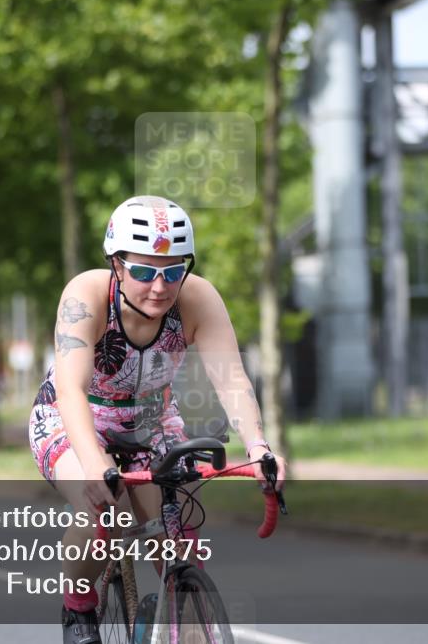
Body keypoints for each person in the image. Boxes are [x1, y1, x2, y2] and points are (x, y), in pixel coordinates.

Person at [28, 196, 287, 644]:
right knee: (105, 511)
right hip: (74, 415)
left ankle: (186, 621)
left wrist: (259, 446)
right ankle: (78, 609)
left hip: (152, 419)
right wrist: (96, 466)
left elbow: (231, 380)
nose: (160, 286)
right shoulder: (86, 295)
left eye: (173, 270)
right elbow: (70, 389)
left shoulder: (197, 297)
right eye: (145, 271)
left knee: (174, 529)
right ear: (117, 264)